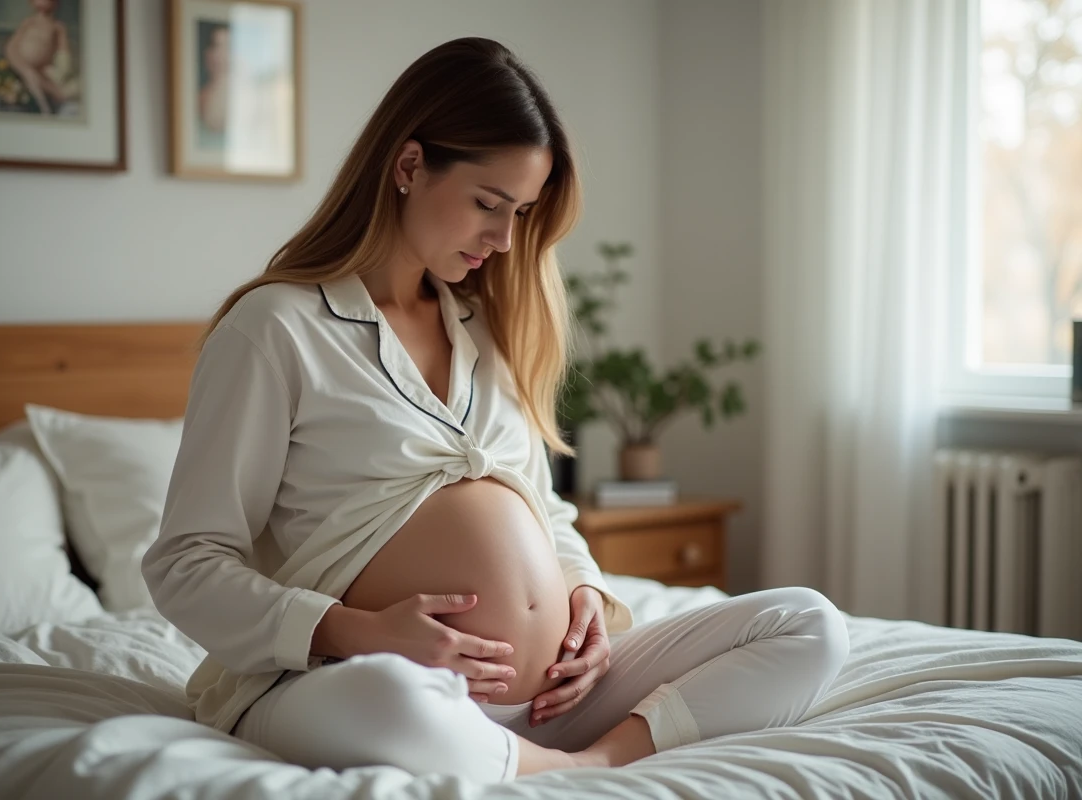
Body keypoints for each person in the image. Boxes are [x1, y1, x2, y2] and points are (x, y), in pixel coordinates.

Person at [140, 36, 850, 784]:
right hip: (356, 679)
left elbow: (545, 512)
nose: (505, 240)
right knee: (392, 703)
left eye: (521, 212)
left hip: (549, 701)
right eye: (487, 204)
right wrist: (360, 633)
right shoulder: (277, 329)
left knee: (810, 625)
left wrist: (583, 594)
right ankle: (549, 764)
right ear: (409, 166)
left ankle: (592, 761)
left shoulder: (487, 331)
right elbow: (188, 563)